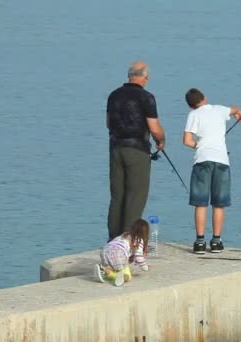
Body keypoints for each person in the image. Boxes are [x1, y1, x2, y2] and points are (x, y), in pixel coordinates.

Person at [106, 61, 165, 241]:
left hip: (116, 148)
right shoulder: (146, 97)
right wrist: (161, 141)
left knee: (117, 196)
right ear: (145, 77)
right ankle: (127, 240)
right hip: (137, 150)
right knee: (136, 196)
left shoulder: (113, 95)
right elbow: (154, 128)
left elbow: (108, 123)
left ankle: (113, 240)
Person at [182, 88, 241, 254]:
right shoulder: (219, 109)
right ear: (205, 98)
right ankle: (216, 241)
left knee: (201, 203)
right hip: (222, 161)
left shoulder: (193, 115)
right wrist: (238, 113)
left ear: (191, 106)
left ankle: (200, 242)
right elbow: (235, 109)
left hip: (202, 161)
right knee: (219, 204)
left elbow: (187, 141)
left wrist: (199, 145)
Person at [94, 218, 150, 286]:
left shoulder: (125, 234)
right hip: (118, 253)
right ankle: (113, 275)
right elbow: (138, 257)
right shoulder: (138, 240)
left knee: (113, 267)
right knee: (127, 276)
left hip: (105, 250)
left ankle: (103, 270)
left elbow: (114, 243)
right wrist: (145, 268)